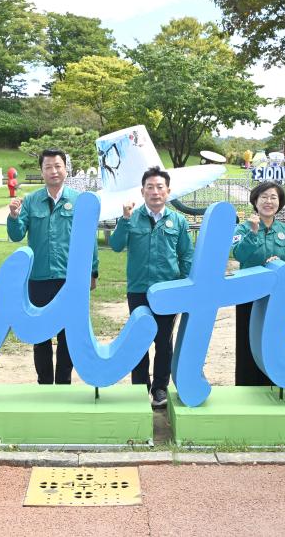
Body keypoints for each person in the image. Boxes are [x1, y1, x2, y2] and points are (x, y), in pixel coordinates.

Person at [7, 148, 99, 384]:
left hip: (70, 279)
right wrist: (14, 216)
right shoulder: (30, 201)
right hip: (38, 278)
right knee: (40, 334)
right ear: (42, 171)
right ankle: (45, 382)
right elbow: (17, 235)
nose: (53, 171)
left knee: (68, 334)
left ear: (65, 168)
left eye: (58, 166)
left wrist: (92, 271)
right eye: (48, 167)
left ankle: (64, 381)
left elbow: (90, 240)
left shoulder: (79, 200)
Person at [109, 167, 193, 407]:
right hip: (138, 289)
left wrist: (186, 286)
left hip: (168, 291)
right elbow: (116, 245)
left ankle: (159, 389)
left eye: (160, 187)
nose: (155, 192)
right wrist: (124, 220)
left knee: (164, 341)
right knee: (139, 339)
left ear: (168, 191)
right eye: (150, 187)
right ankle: (139, 388)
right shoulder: (131, 217)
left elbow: (186, 255)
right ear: (142, 191)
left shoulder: (178, 220)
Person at [231, 181, 285, 386]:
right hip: (248, 294)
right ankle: (245, 384)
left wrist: (279, 264)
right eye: (264, 197)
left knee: (271, 340)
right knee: (247, 340)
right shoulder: (244, 227)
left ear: (279, 203)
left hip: (275, 297)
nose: (268, 201)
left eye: (273, 197)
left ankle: (270, 383)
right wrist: (253, 233)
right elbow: (238, 254)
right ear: (255, 200)